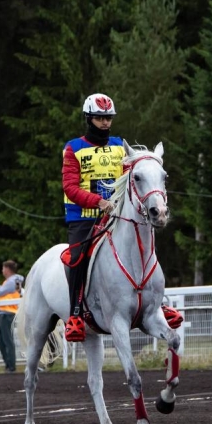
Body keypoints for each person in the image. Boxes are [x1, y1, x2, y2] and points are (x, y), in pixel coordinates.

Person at [61, 93, 125, 343]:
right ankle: (75, 315)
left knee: (143, 243)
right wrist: (98, 202)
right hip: (84, 218)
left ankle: (157, 302)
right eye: (100, 118)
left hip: (117, 215)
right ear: (89, 118)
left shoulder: (121, 145)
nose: (105, 123)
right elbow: (70, 187)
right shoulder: (73, 148)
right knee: (76, 258)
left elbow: (130, 176)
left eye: (108, 118)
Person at [0, 260, 24, 372]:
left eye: (3, 268)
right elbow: (2, 291)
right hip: (4, 312)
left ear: (7, 269)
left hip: (7, 313)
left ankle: (11, 366)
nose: (2, 271)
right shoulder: (11, 281)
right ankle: (8, 364)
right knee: (0, 341)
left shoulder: (12, 282)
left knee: (7, 340)